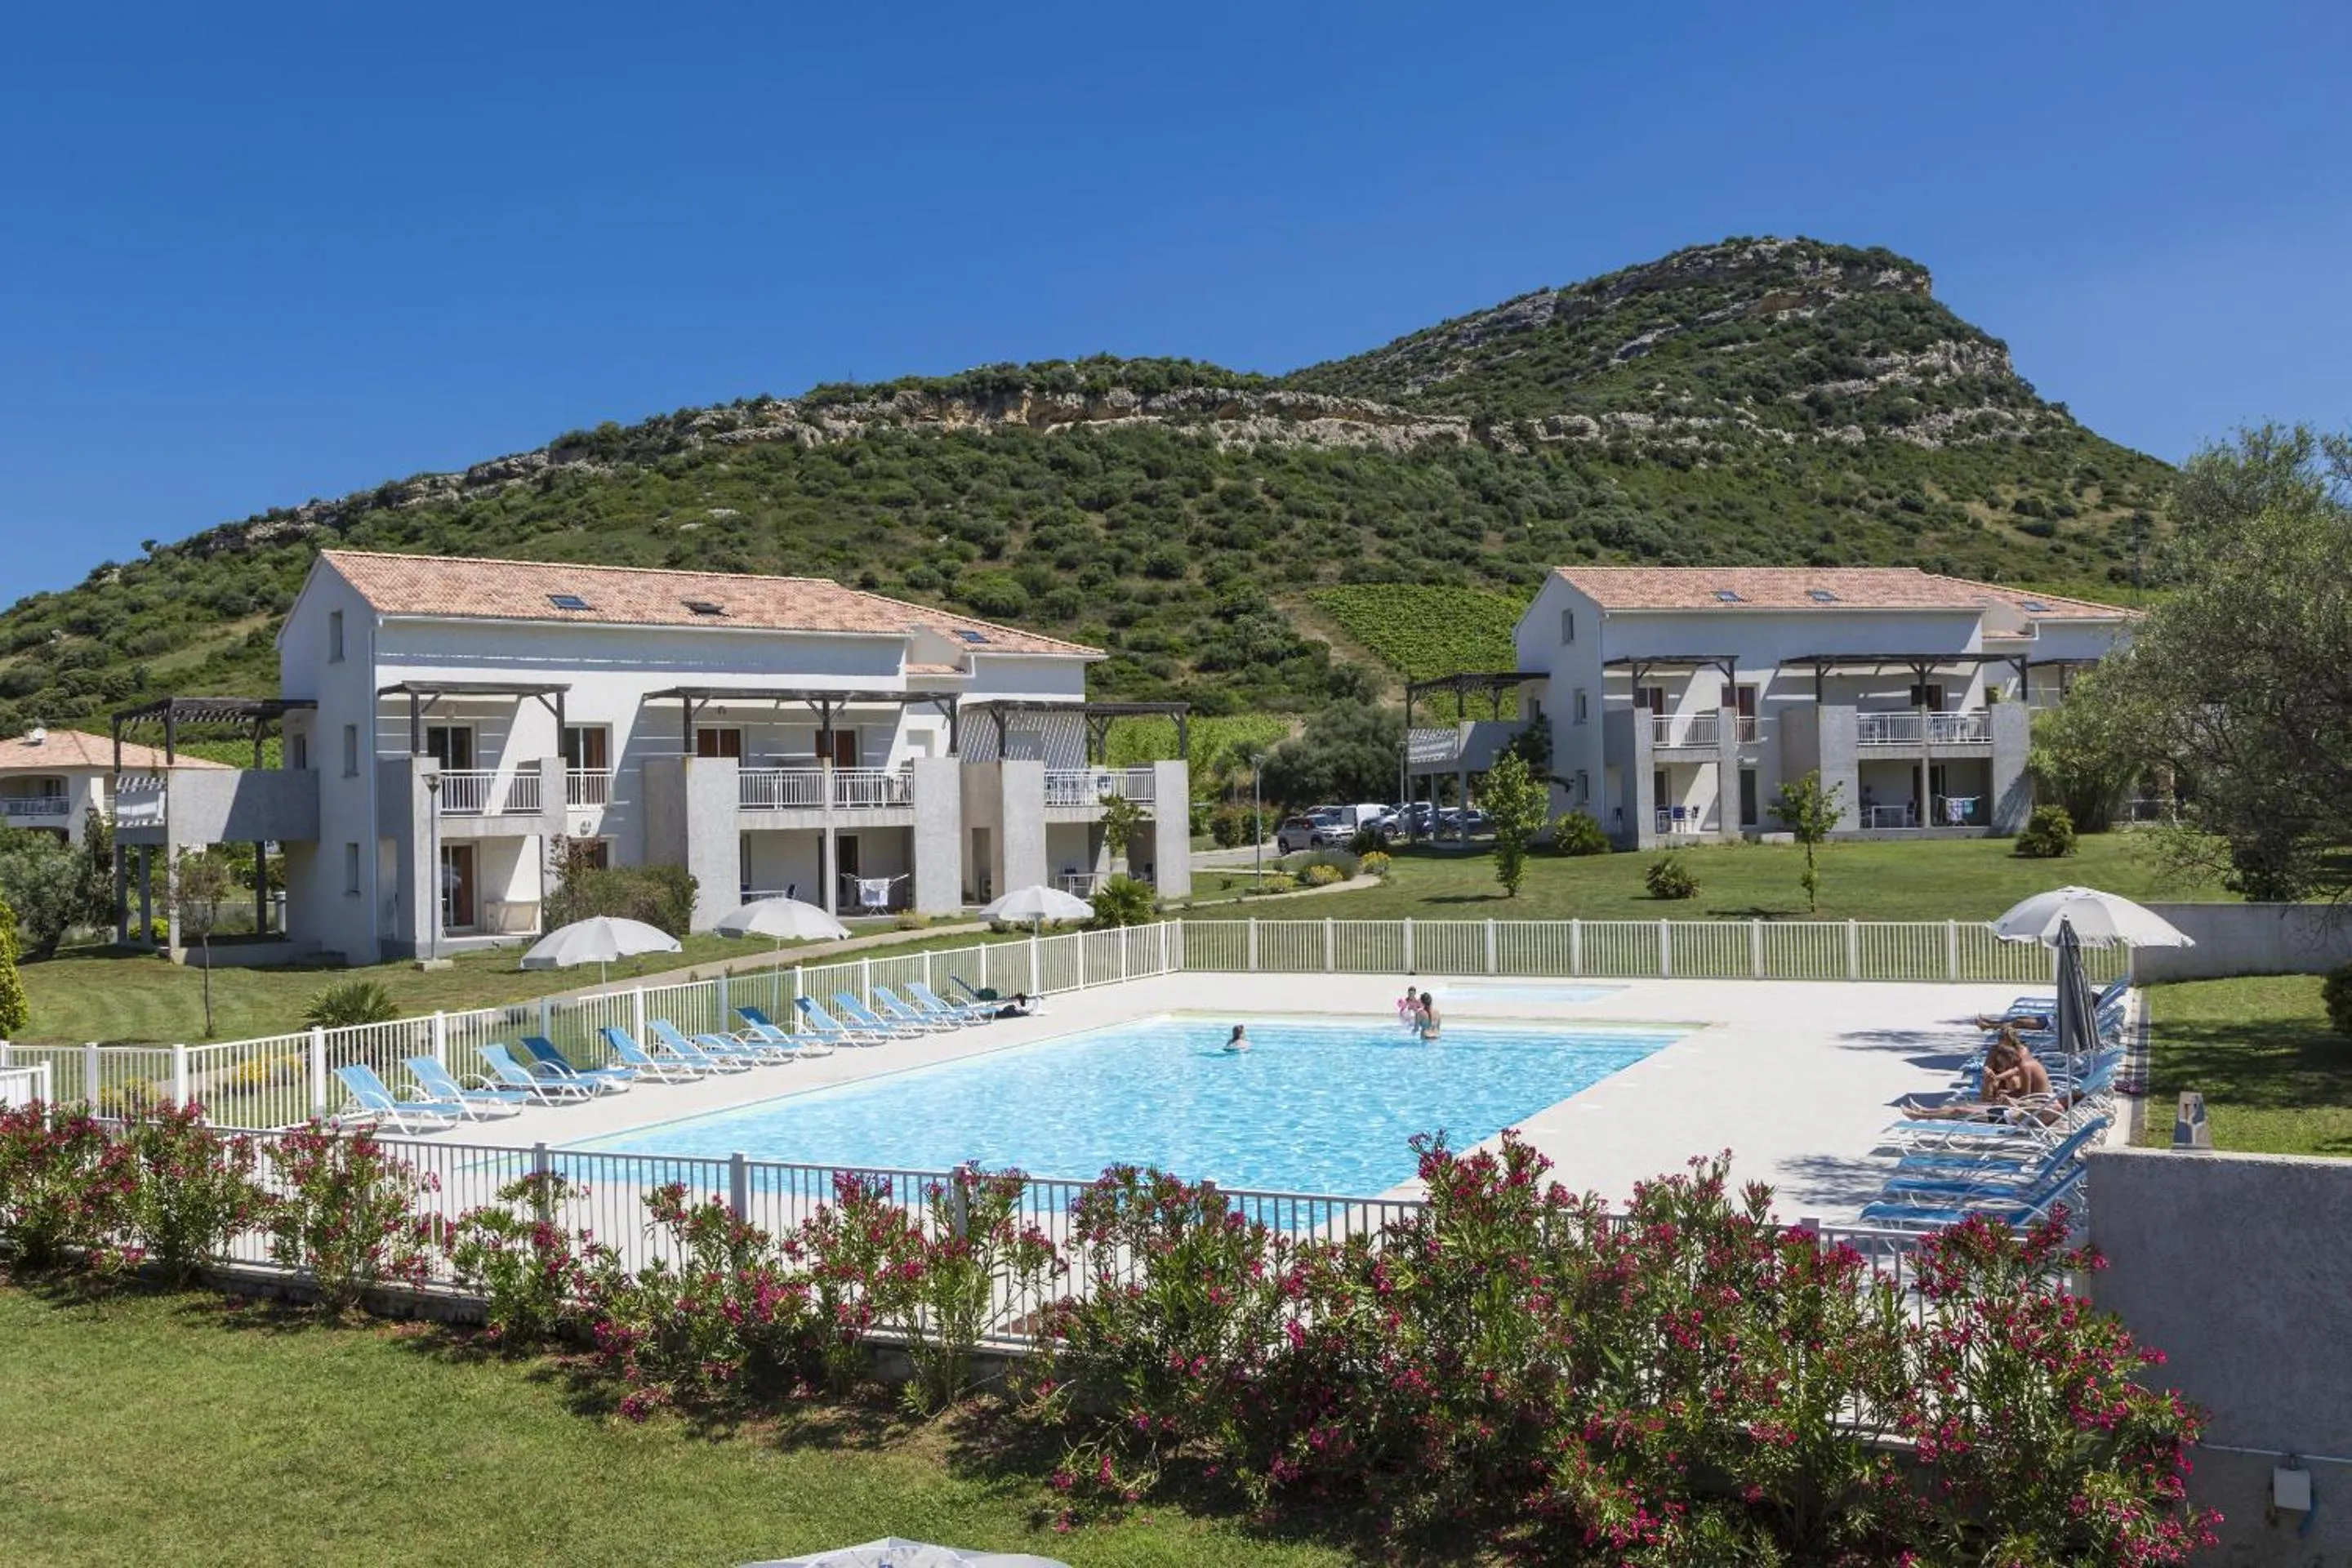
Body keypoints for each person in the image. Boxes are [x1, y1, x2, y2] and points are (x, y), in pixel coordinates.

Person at [1899, 1031, 2051, 1120]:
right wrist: (2008, 1095)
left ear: (2009, 1058)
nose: (2004, 1068)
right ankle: (1924, 1111)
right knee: (1966, 1107)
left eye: (2004, 1064)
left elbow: (2027, 1097)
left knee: (1961, 1111)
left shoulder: (2024, 1066)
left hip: (2025, 1113)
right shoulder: (2028, 1063)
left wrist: (2009, 1099)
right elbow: (2029, 1094)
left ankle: (1921, 1115)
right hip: (2030, 1109)